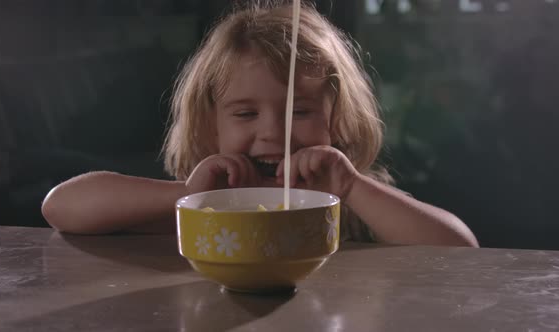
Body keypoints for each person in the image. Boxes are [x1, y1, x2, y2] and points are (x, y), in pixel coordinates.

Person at [41, 1, 478, 247]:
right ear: (209, 125)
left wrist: (351, 188)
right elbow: (61, 206)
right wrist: (186, 196)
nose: (273, 133)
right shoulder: (204, 206)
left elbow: (461, 249)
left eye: (299, 112)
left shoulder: (356, 204)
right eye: (246, 113)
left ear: (338, 121)